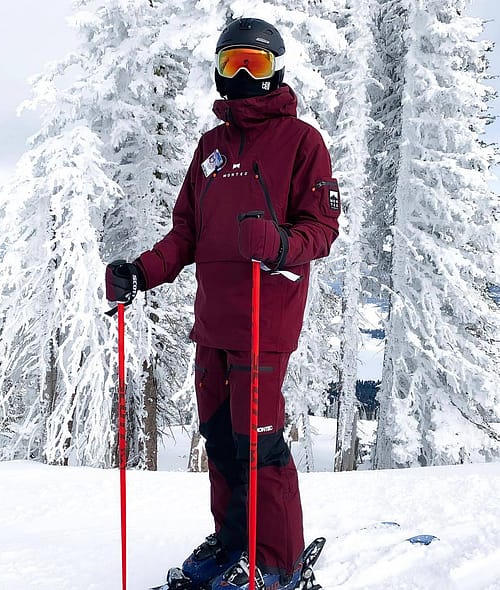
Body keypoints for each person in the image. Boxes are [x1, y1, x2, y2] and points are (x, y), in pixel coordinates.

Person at [105, 17, 341, 590]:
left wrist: (282, 244)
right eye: (232, 61)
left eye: (254, 64)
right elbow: (186, 231)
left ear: (276, 70)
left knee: (258, 443)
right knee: (217, 436)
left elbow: (323, 227)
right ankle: (234, 540)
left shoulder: (301, 141)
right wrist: (141, 271)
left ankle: (278, 563)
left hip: (266, 317)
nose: (240, 74)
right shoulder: (210, 148)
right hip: (212, 321)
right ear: (217, 68)